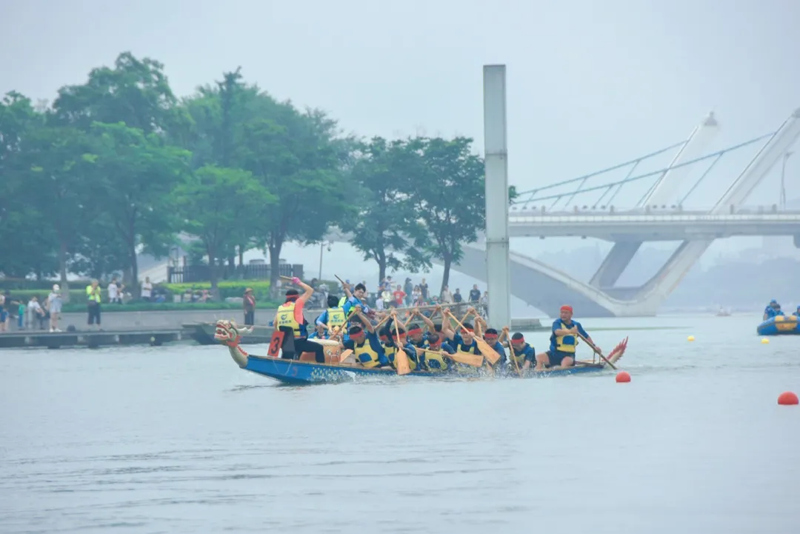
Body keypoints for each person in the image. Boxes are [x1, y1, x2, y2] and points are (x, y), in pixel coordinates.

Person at [274, 277, 325, 362]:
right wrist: (299, 282)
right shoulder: (297, 304)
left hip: (284, 343)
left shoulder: (280, 308)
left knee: (293, 353)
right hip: (298, 342)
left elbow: (275, 323)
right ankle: (322, 370)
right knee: (319, 348)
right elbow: (310, 290)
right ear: (297, 297)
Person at [535, 305, 599, 370]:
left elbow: (586, 337)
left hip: (568, 355)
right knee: (539, 357)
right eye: (562, 312)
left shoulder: (576, 325)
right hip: (554, 353)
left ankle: (561, 371)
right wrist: (570, 331)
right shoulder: (557, 323)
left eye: (566, 313)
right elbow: (557, 332)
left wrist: (594, 347)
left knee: (565, 363)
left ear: (571, 314)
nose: (563, 315)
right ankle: (539, 373)